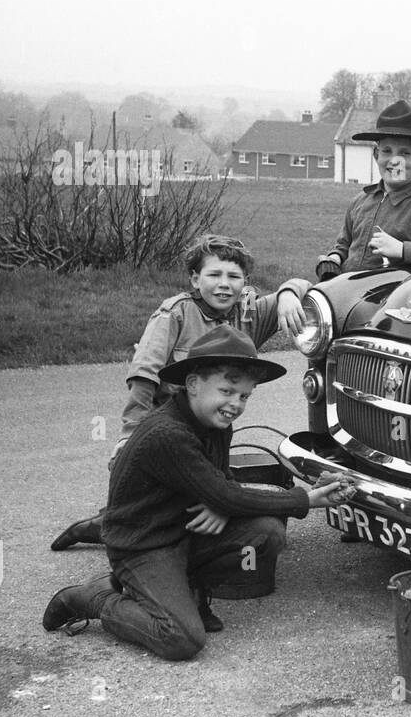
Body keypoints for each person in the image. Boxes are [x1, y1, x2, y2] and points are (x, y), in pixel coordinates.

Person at [43, 326, 356, 659]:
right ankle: (92, 598)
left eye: (245, 396)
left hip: (185, 530)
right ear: (193, 384)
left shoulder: (215, 422)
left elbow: (223, 485)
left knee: (267, 533)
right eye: (227, 390)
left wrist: (222, 503)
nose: (235, 404)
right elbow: (225, 491)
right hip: (144, 545)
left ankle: (192, 590)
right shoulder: (168, 434)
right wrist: (306, 498)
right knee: (181, 639)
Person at [50, 235, 312, 553]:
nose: (224, 285)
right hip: (166, 428)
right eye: (214, 275)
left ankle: (168, 539)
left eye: (234, 277)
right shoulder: (175, 313)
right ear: (194, 278)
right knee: (161, 505)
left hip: (212, 432)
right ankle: (106, 528)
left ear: (245, 282)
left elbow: (302, 283)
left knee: (200, 501)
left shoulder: (250, 314)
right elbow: (144, 376)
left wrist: (286, 295)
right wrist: (129, 436)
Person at [315, 100, 411, 280]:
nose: (394, 161)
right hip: (345, 295)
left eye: (405, 153)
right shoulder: (360, 201)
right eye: (387, 151)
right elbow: (344, 244)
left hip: (387, 301)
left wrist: (403, 250)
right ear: (376, 155)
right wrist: (334, 258)